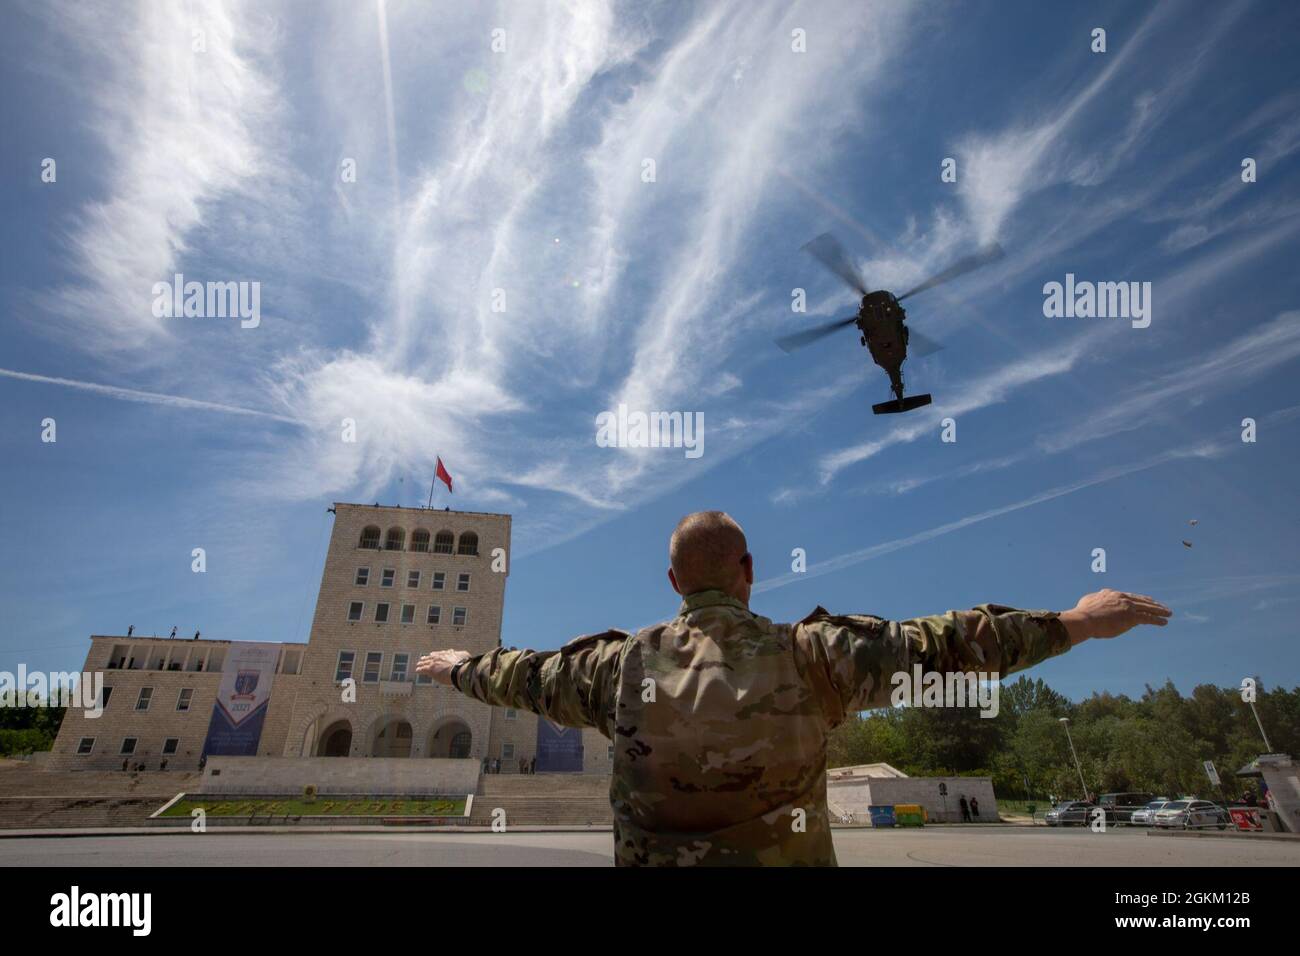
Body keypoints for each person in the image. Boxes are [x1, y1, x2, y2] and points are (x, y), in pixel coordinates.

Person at [417, 510, 1170, 867]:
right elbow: (951, 644)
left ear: (674, 583)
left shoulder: (617, 669)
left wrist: (454, 667)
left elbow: (523, 676)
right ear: (749, 572)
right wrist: (1076, 621)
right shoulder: (816, 657)